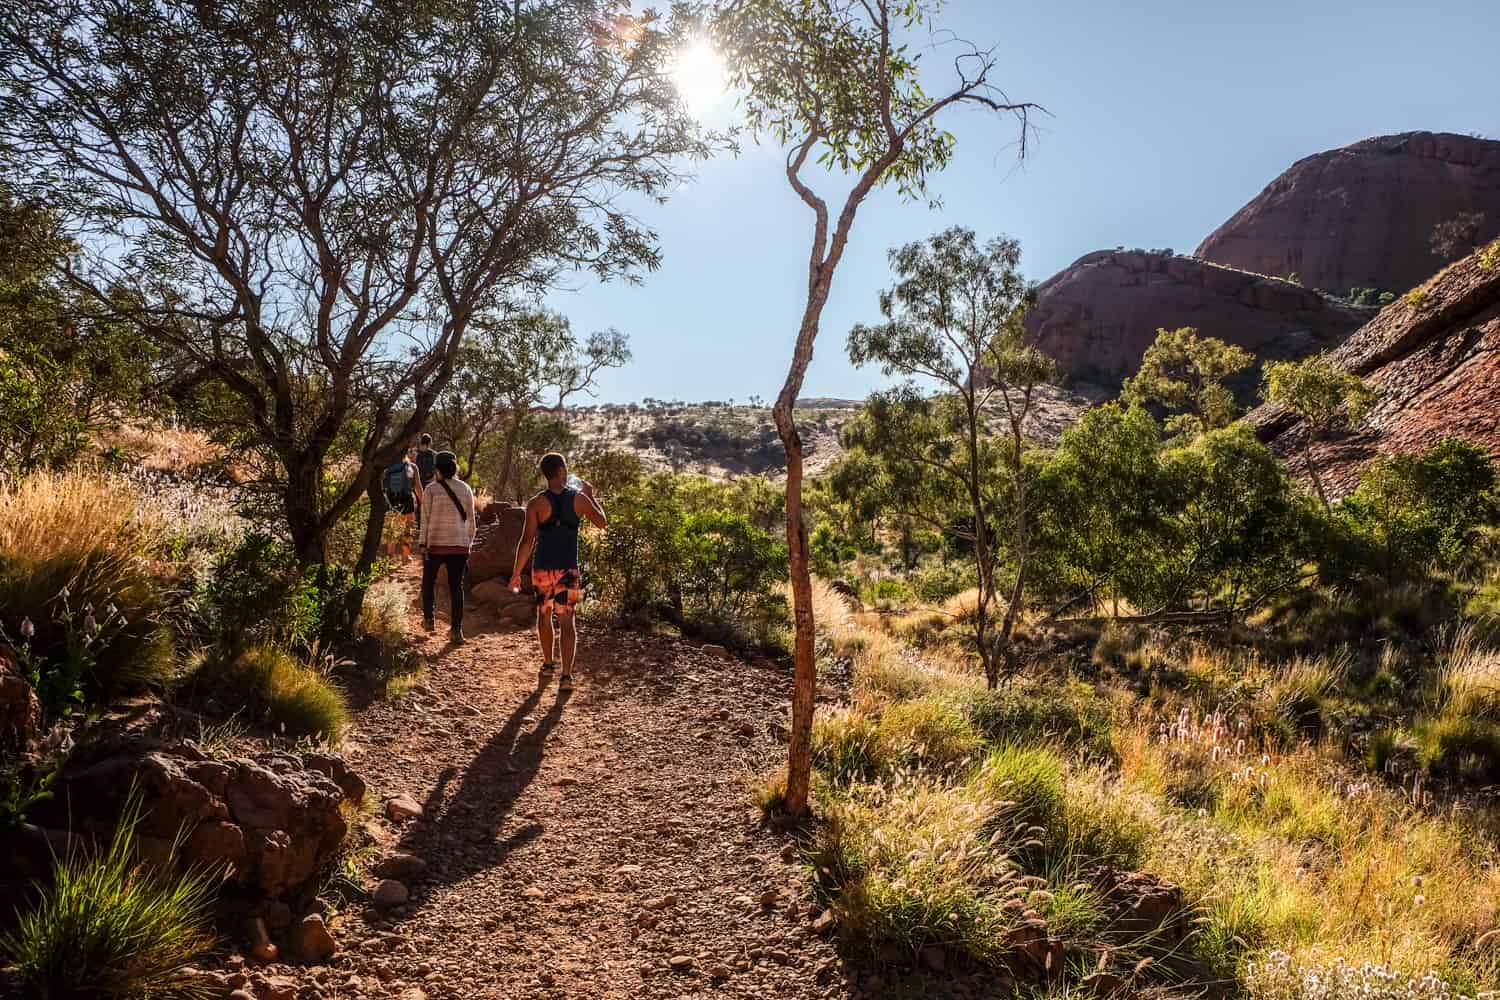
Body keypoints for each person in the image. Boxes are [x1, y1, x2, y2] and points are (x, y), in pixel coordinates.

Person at [509, 453, 607, 692]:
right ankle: (566, 677)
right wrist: (591, 496)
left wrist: (515, 574)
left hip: (542, 569)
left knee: (544, 614)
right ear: (562, 470)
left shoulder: (536, 503)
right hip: (568, 571)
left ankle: (547, 664)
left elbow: (526, 541)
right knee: (567, 621)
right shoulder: (580, 499)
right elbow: (602, 522)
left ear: (545, 473)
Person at [418, 450, 476, 644]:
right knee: (456, 588)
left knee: (428, 581)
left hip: (435, 545)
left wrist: (423, 543)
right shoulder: (466, 488)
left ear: (437, 469)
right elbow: (471, 520)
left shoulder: (431, 489)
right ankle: (457, 630)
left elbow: (424, 520)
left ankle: (428, 619)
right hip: (459, 546)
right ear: (455, 467)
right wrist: (468, 543)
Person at [382, 450, 423, 562]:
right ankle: (405, 556)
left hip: (391, 501)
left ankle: (390, 557)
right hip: (407, 500)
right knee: (407, 528)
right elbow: (418, 487)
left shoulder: (387, 468)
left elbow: (383, 486)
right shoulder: (412, 467)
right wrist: (423, 503)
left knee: (392, 529)